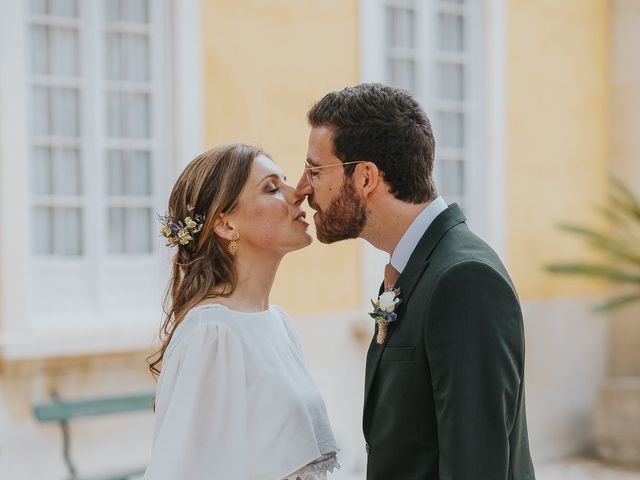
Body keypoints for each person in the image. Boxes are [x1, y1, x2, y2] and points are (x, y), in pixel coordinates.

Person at [295, 83, 535, 480]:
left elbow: (476, 467)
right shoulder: (414, 266)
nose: (304, 188)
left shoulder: (464, 281)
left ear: (366, 177)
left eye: (315, 170)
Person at [144, 144, 340, 480]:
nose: (298, 194)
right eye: (272, 188)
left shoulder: (277, 323)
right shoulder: (212, 333)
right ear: (225, 224)